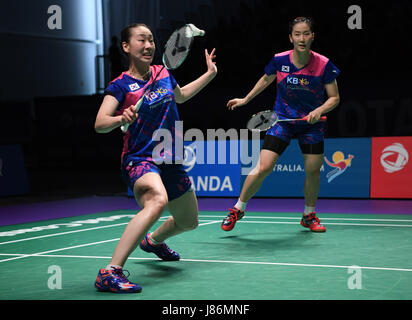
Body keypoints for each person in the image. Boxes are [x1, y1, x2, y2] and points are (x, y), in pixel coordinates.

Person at [94, 23, 217, 293]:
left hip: (170, 157)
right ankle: (110, 272)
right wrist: (120, 118)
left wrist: (209, 74)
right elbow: (100, 123)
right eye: (141, 40)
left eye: (151, 40)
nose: (149, 45)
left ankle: (153, 241)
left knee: (189, 221)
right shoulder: (120, 85)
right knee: (157, 200)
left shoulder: (162, 72)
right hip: (140, 159)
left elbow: (181, 96)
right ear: (126, 47)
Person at [221, 17, 340, 233]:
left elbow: (334, 98)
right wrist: (246, 99)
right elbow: (266, 79)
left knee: (313, 171)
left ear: (312, 36)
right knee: (264, 166)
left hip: (311, 124)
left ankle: (308, 215)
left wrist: (319, 110)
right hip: (282, 120)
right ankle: (238, 208)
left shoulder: (324, 64)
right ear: (291, 37)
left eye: (306, 34)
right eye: (297, 34)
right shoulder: (280, 60)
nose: (301, 38)